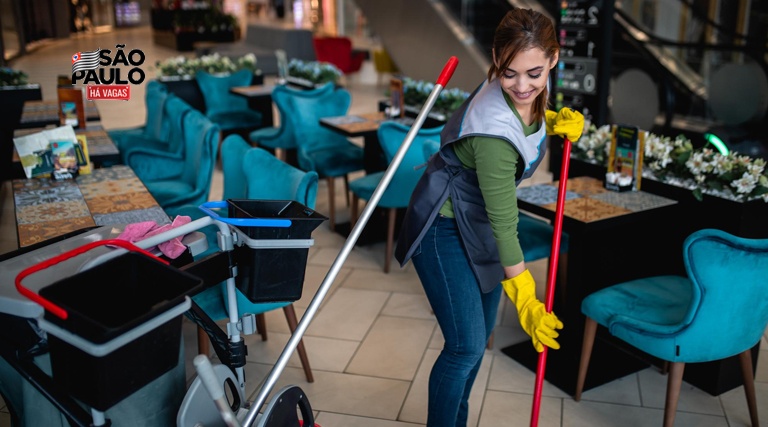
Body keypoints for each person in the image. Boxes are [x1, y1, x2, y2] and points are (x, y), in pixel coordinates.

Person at [394, 7, 584, 427]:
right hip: (442, 228)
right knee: (464, 347)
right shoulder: (493, 135)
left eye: (534, 74)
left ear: (553, 59)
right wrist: (525, 296)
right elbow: (505, 222)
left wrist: (551, 122)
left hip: (476, 227)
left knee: (475, 348)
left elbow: (524, 116)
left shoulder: (521, 93)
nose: (521, 86)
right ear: (496, 58)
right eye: (509, 72)